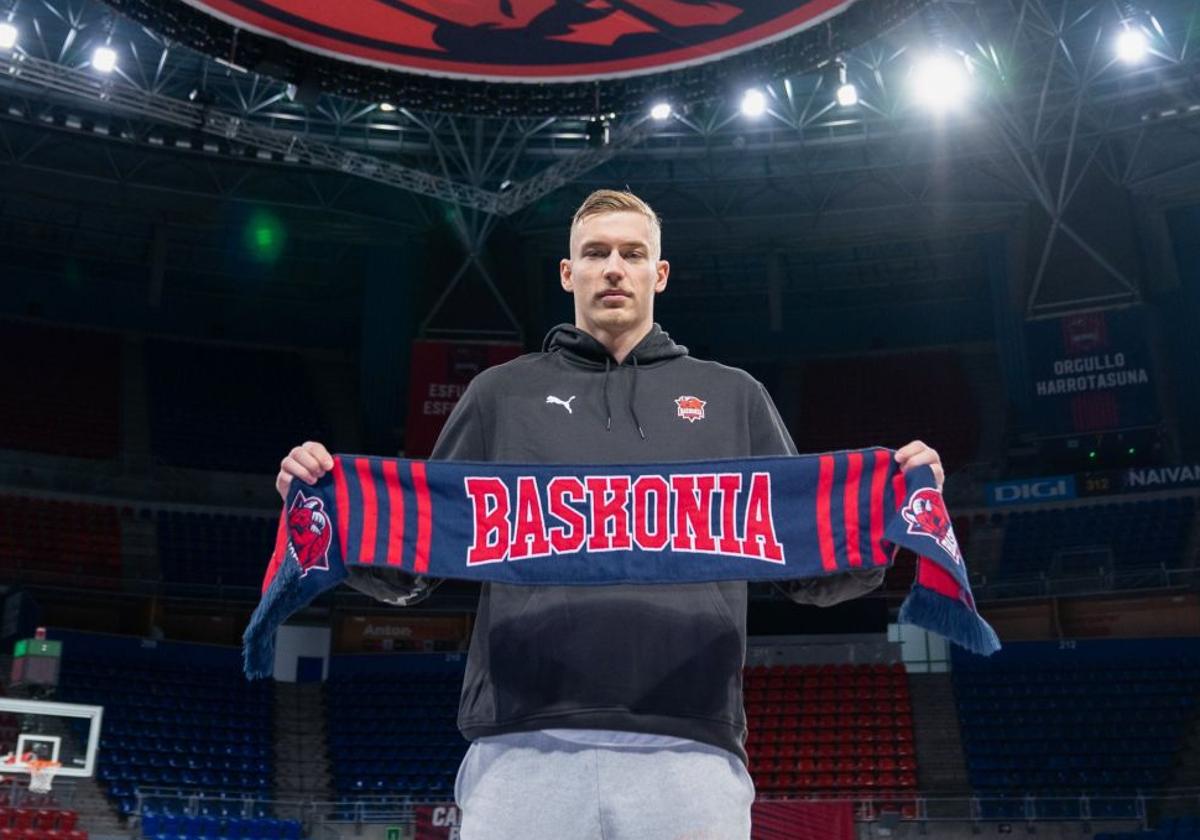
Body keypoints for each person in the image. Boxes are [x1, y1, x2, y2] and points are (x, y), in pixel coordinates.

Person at [276, 189, 945, 839]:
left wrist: (887, 514)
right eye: (596, 253)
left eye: (631, 252)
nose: (614, 268)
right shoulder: (498, 397)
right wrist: (330, 513)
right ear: (568, 272)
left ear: (660, 272)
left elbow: (807, 570)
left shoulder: (734, 397)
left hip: (690, 745)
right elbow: (415, 562)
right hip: (521, 745)